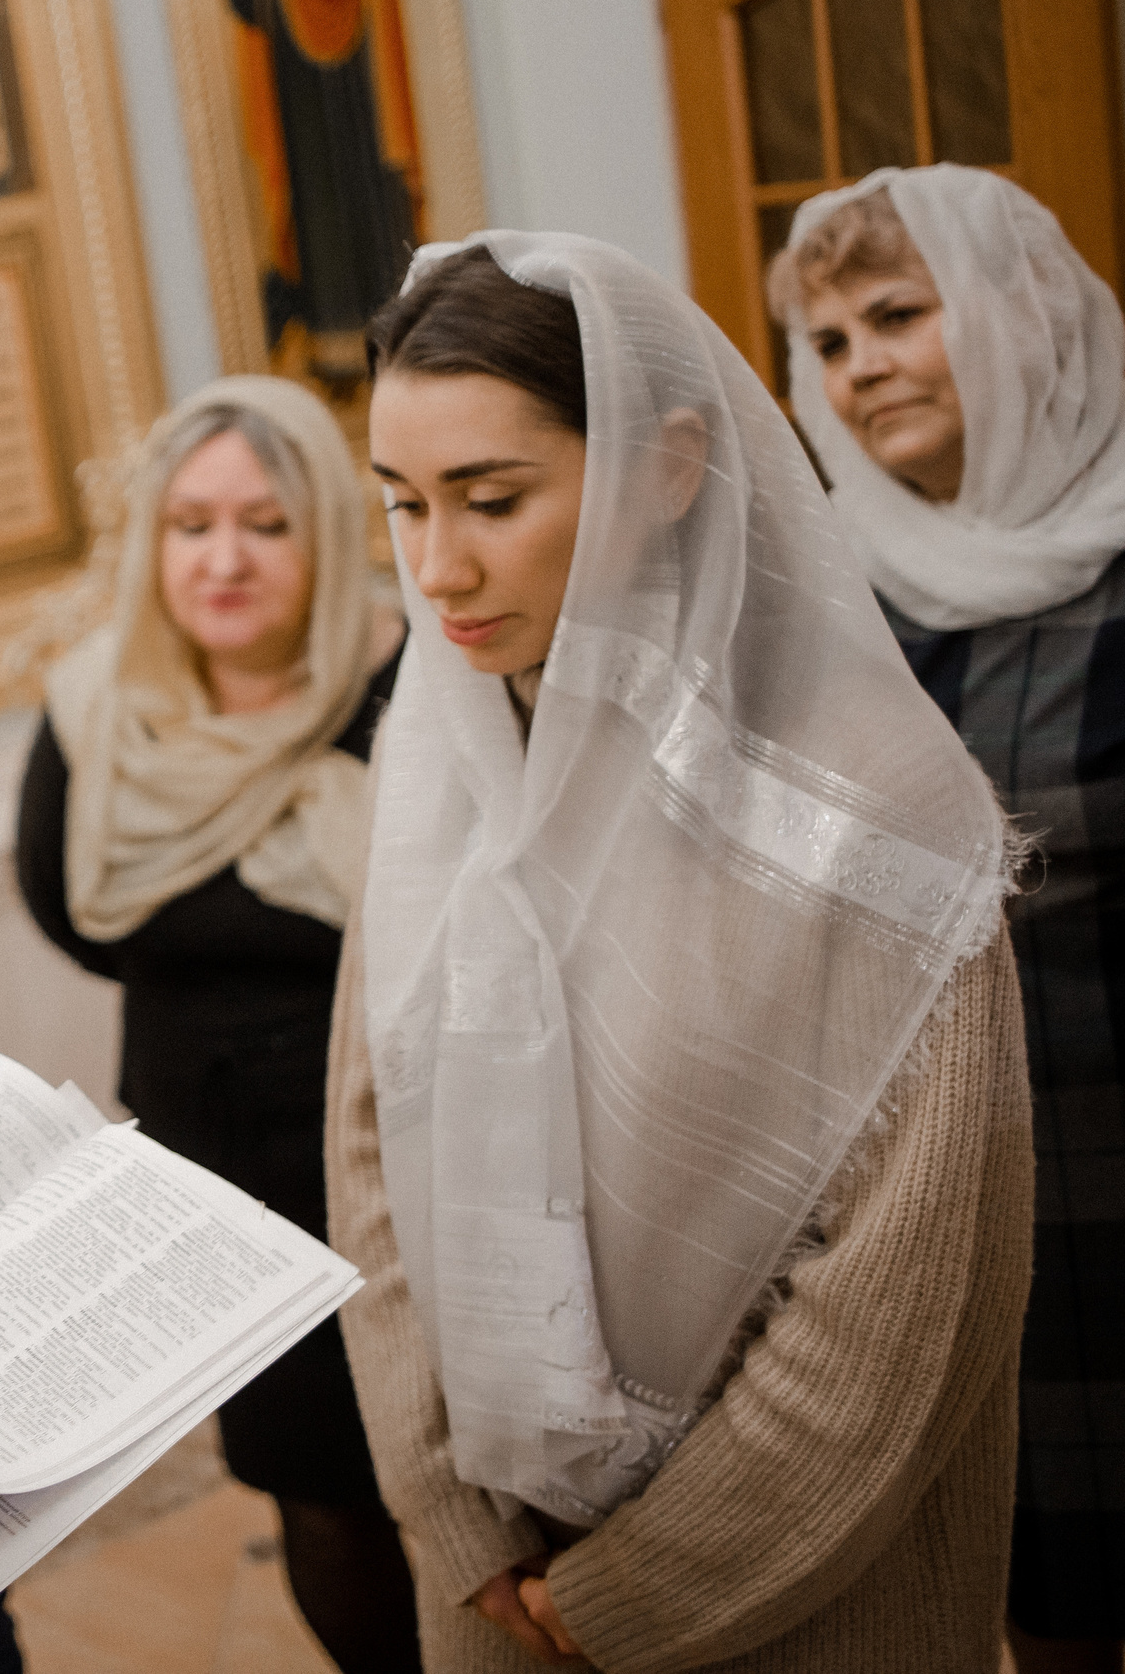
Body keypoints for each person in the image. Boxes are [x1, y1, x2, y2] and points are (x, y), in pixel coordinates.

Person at [332, 234, 1031, 1672]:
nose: (439, 565)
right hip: (499, 1578)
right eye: (401, 504)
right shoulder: (444, 746)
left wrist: (627, 1592)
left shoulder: (872, 801)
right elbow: (371, 1150)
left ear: (670, 466)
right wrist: (462, 1531)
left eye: (494, 497)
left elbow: (900, 1301)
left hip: (798, 1592)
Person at [774, 163, 1125, 1672]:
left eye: (897, 314)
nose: (861, 369)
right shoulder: (834, 600)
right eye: (831, 342)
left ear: (1018, 307)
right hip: (958, 1205)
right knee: (1037, 1603)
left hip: (1120, 1153)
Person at [14, 374, 417, 1672]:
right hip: (229, 1184)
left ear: (326, 534)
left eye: (265, 522)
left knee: (463, 1472)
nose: (224, 558)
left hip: (412, 1159)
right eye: (191, 525)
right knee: (316, 1482)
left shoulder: (409, 688)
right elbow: (72, 911)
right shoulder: (101, 708)